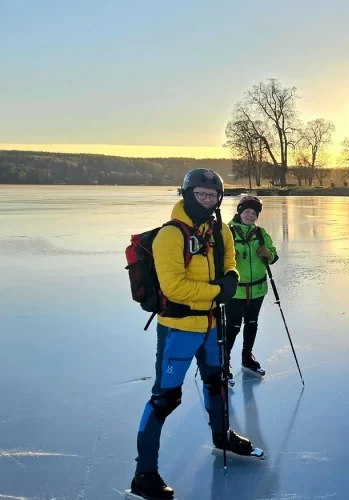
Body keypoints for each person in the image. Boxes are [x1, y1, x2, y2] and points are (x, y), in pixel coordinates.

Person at [130, 169, 264, 500]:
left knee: (216, 383)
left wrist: (229, 278)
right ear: (188, 194)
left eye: (212, 196)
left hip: (212, 326)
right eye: (201, 194)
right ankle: (144, 474)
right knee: (165, 399)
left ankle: (222, 436)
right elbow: (174, 288)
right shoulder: (170, 236)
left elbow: (229, 263)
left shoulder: (220, 231)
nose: (207, 200)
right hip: (179, 329)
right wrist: (220, 290)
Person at [224, 194, 278, 383]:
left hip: (258, 289)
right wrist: (228, 256)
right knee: (233, 326)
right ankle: (225, 360)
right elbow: (215, 259)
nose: (250, 215)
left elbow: (273, 255)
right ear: (239, 212)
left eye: (254, 213)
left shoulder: (261, 233)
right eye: (247, 211)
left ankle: (247, 357)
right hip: (235, 290)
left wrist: (267, 254)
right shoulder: (227, 232)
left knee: (252, 324)